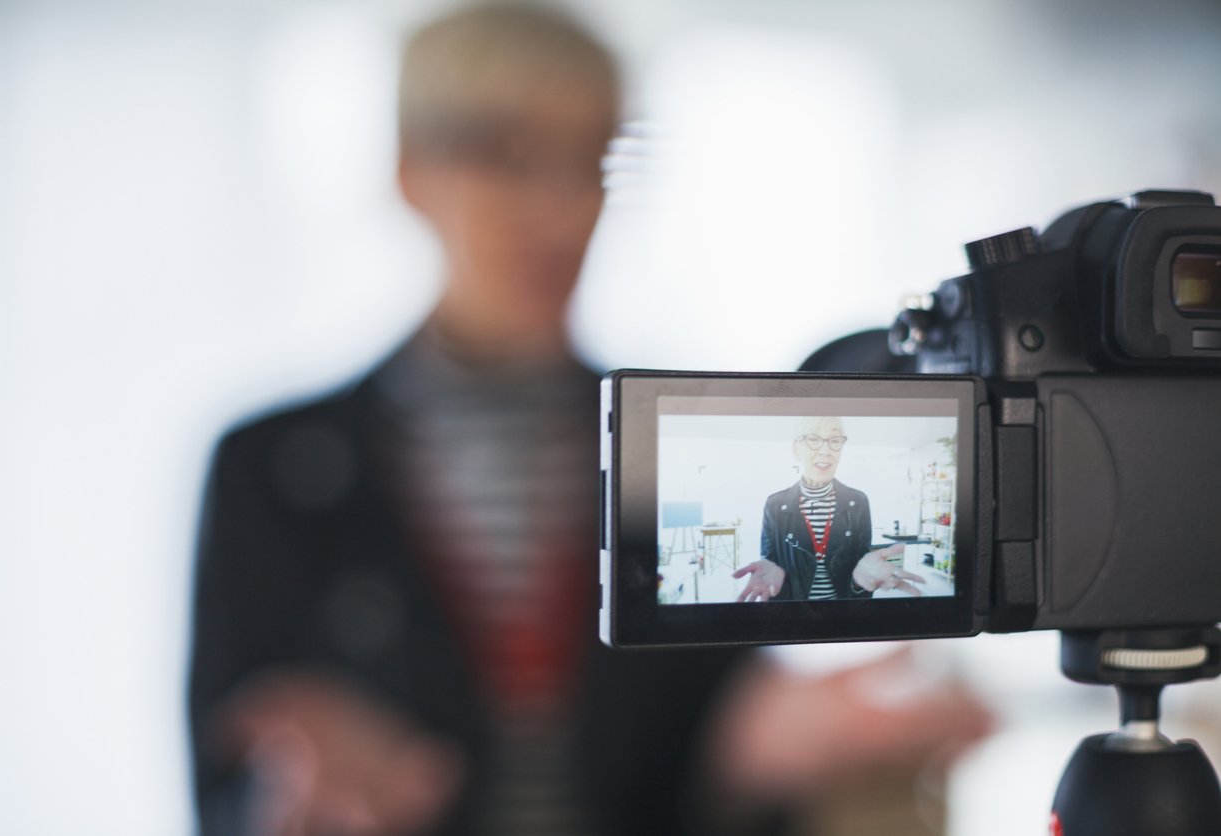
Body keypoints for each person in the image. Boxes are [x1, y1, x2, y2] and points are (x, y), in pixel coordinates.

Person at [188, 5, 990, 836]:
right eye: (507, 156)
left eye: (591, 160)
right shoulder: (270, 469)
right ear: (409, 170)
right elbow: (220, 786)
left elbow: (704, 745)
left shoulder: (686, 448)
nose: (560, 206)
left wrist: (758, 749)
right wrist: (284, 798)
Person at [733, 417, 925, 602]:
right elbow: (770, 563)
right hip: (793, 618)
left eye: (834, 440)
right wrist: (776, 586)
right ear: (796, 449)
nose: (825, 450)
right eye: (814, 439)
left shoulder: (858, 502)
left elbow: (863, 572)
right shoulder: (775, 504)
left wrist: (859, 583)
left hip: (843, 617)